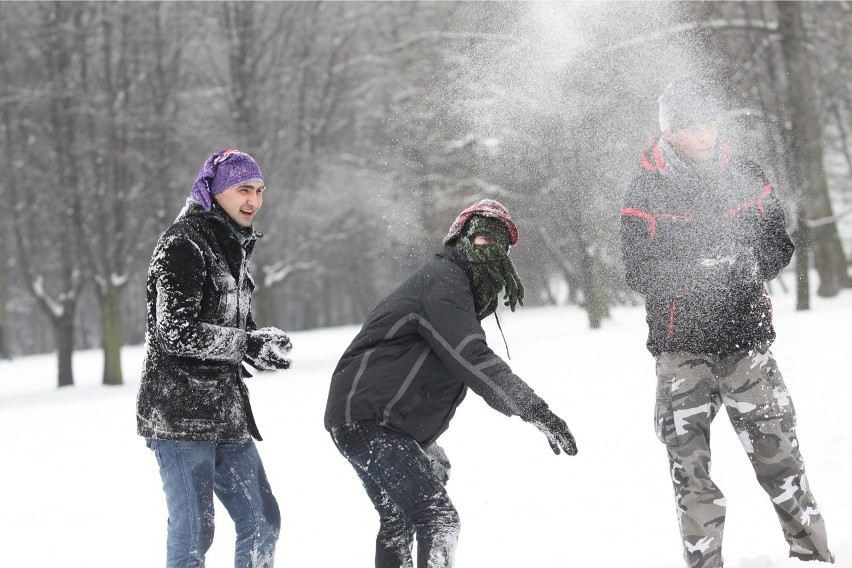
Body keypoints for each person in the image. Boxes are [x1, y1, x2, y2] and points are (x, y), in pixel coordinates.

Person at [620, 78, 834, 568]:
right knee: (690, 477)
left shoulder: (746, 174)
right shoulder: (646, 189)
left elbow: (780, 241)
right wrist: (696, 272)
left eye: (711, 121)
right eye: (694, 125)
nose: (707, 132)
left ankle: (816, 559)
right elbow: (636, 269)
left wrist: (750, 263)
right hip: (682, 355)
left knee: (783, 465)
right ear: (671, 131)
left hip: (747, 349)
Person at [324, 199, 578, 568]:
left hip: (366, 418)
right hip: (369, 420)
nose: (488, 249)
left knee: (398, 520)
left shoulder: (453, 289)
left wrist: (423, 443)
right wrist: (536, 410)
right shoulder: (443, 281)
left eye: (499, 244)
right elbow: (471, 358)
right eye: (479, 239)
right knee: (438, 519)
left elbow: (410, 372)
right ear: (457, 238)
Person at [137, 149, 293, 568]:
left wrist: (262, 344)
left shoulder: (232, 246)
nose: (253, 201)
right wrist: (245, 344)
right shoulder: (182, 244)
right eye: (243, 190)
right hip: (179, 414)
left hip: (226, 412)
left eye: (259, 191)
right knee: (194, 536)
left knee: (263, 520)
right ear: (215, 191)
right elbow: (176, 333)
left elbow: (229, 320)